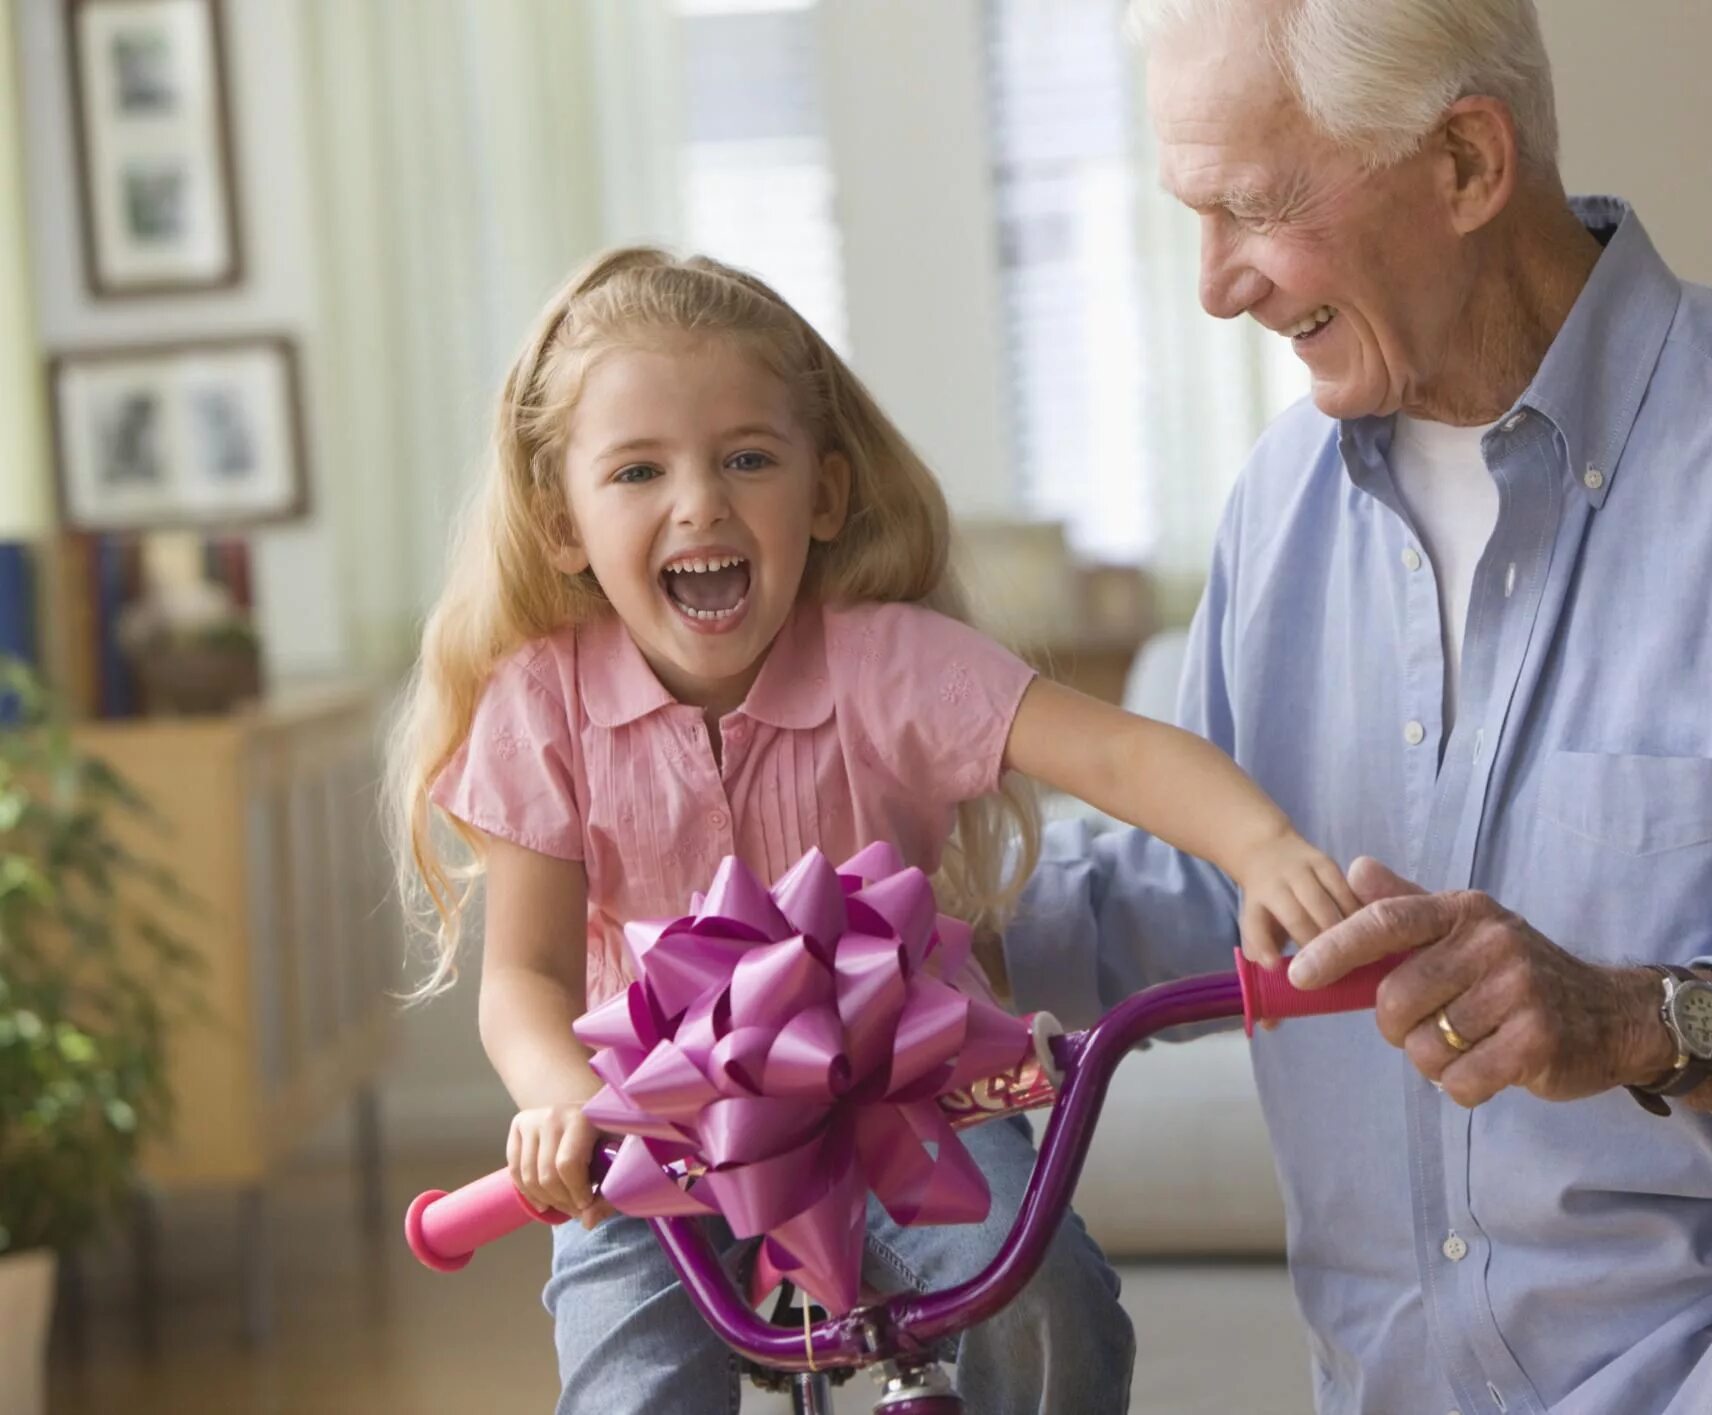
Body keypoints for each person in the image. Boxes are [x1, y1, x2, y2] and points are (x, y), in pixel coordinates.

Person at [995, 2, 1712, 1411]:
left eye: (1253, 207)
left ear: (1466, 165)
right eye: (1192, 214)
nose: (1215, 284)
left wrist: (1643, 1017)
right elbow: (1214, 883)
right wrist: (906, 951)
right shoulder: (1279, 507)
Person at [385, 246, 1359, 1414]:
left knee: (1049, 1295)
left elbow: (1117, 751)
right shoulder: (544, 704)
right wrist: (560, 1103)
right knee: (630, 1384)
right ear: (562, 525)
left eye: (748, 457)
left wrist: (1261, 845)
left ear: (827, 494)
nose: (699, 500)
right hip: (655, 1141)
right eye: (638, 470)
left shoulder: (886, 662)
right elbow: (525, 976)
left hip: (907, 1111)